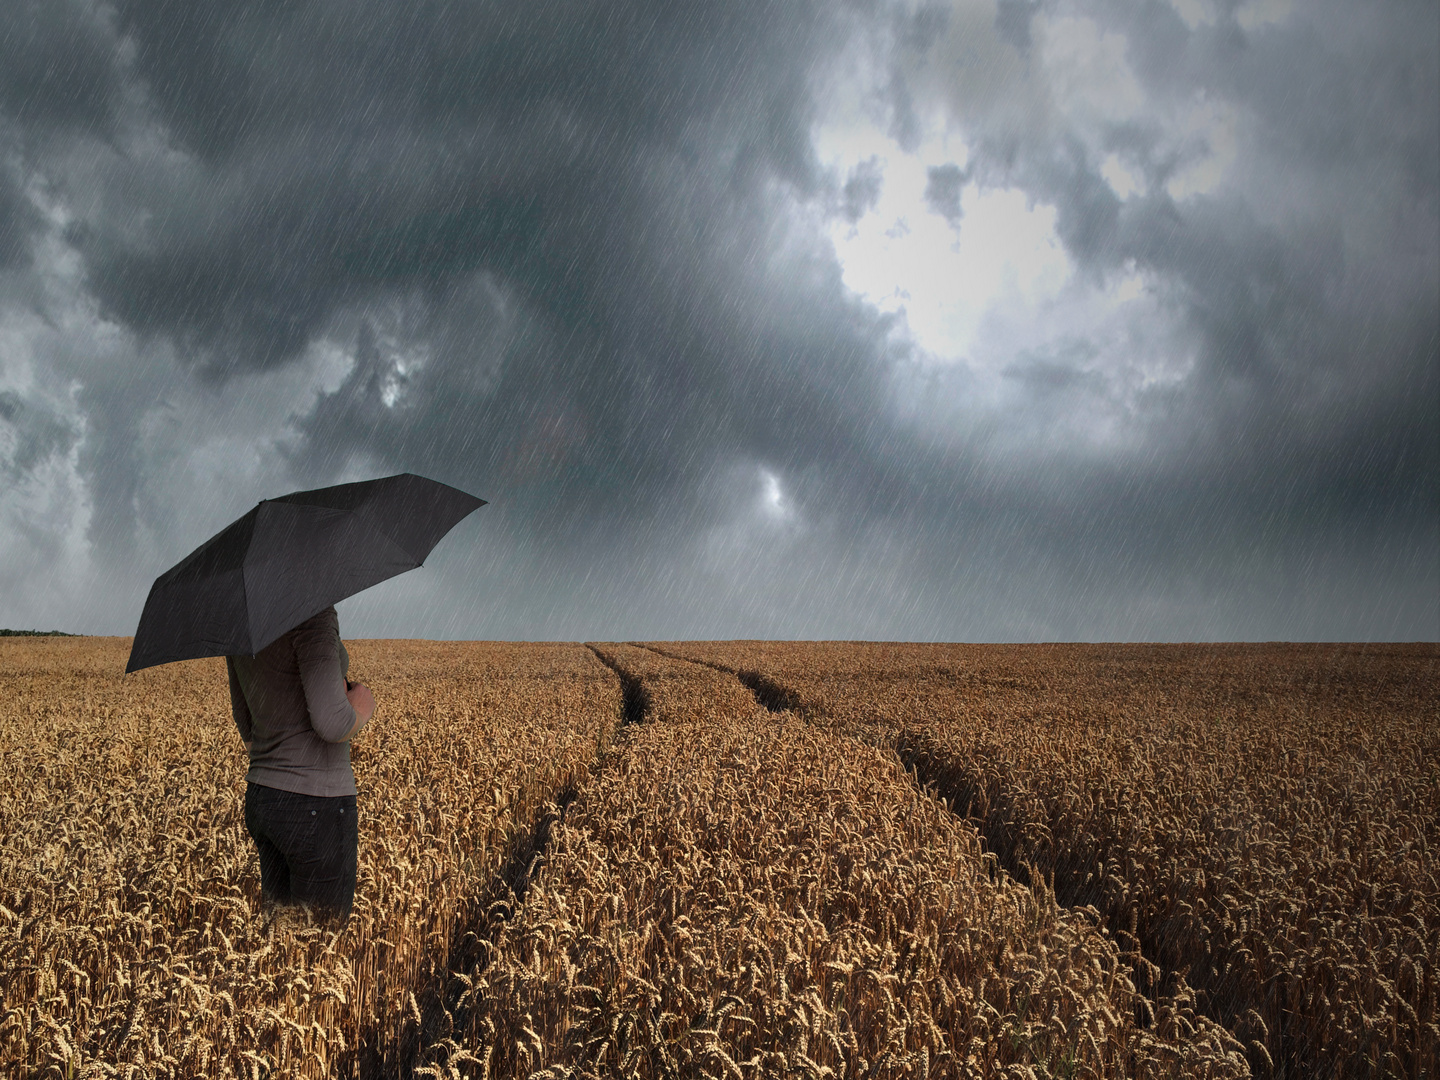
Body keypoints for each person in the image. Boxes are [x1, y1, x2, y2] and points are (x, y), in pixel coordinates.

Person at [227, 605, 376, 920]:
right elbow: (332, 724)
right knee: (321, 949)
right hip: (315, 805)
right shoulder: (312, 612)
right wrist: (362, 703)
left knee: (281, 948)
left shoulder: (243, 621)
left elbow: (246, 724)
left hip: (264, 799)